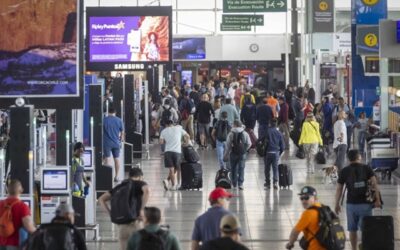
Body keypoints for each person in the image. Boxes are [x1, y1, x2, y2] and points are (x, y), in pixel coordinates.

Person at [335, 150, 381, 250]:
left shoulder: (344, 171)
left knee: (352, 229)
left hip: (351, 205)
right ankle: (365, 247)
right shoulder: (366, 168)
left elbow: (339, 189)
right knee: (366, 229)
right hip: (366, 204)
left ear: (348, 159)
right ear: (359, 157)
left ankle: (354, 248)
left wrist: (337, 204)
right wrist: (377, 200)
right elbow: (374, 184)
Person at [98, 167, 150, 250]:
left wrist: (111, 214)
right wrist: (141, 209)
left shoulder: (119, 187)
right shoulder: (139, 183)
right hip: (135, 223)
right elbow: (147, 191)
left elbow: (101, 199)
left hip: (122, 225)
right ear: (140, 176)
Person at [0, 180, 36, 250]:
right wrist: (38, 232)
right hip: (15, 244)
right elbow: (29, 226)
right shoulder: (22, 206)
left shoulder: (0, 203)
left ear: (8, 190)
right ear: (21, 190)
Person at [160, 120, 190, 191]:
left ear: (166, 125)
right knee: (178, 169)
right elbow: (188, 136)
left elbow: (161, 142)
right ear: (172, 124)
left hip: (168, 152)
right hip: (177, 152)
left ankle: (172, 185)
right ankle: (178, 184)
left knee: (171, 169)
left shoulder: (164, 131)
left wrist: (166, 141)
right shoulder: (178, 129)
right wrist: (186, 143)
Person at [223, 120, 251, 190]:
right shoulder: (245, 133)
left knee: (233, 168)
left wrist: (226, 154)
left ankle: (234, 184)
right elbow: (249, 143)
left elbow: (228, 145)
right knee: (241, 168)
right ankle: (240, 184)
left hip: (233, 153)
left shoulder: (231, 134)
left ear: (235, 125)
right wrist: (244, 149)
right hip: (242, 153)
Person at [103, 107, 125, 183]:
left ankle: (108, 177)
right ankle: (116, 176)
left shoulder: (104, 120)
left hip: (107, 143)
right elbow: (122, 132)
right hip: (116, 143)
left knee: (107, 159)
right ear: (115, 113)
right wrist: (121, 140)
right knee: (117, 159)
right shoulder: (119, 120)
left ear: (108, 112)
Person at [263, 119, 285, 190]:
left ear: (270, 124)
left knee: (267, 169)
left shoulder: (267, 132)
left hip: (268, 153)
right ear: (276, 125)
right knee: (275, 168)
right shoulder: (279, 133)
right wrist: (279, 153)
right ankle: (275, 182)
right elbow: (282, 146)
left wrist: (264, 152)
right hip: (276, 153)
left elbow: (264, 142)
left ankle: (267, 183)